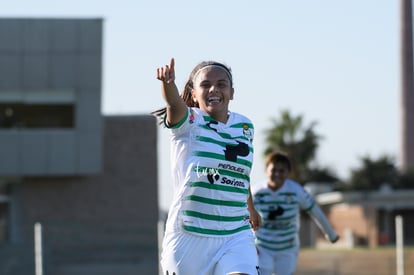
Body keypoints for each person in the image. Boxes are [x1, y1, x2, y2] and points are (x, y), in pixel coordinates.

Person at [154, 58, 261, 275]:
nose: (214, 89)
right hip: (190, 233)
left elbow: (239, 170)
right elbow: (174, 104)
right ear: (193, 93)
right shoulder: (188, 122)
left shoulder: (245, 125)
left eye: (222, 84)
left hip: (235, 233)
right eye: (205, 85)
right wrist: (168, 84)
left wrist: (250, 207)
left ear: (232, 92)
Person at [252, 151, 339, 275]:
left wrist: (331, 234)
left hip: (287, 248)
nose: (277, 174)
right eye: (274, 170)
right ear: (266, 170)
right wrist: (249, 243)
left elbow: (315, 211)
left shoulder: (296, 191)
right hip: (263, 247)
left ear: (288, 173)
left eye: (281, 171)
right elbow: (243, 217)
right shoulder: (256, 193)